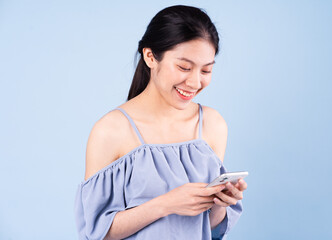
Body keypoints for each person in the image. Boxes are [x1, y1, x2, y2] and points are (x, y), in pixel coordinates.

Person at [74, 5, 248, 240]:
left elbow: (209, 229)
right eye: (184, 67)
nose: (195, 82)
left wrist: (220, 203)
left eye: (206, 70)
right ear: (150, 57)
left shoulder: (212, 124)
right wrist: (166, 204)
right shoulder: (111, 130)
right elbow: (96, 232)